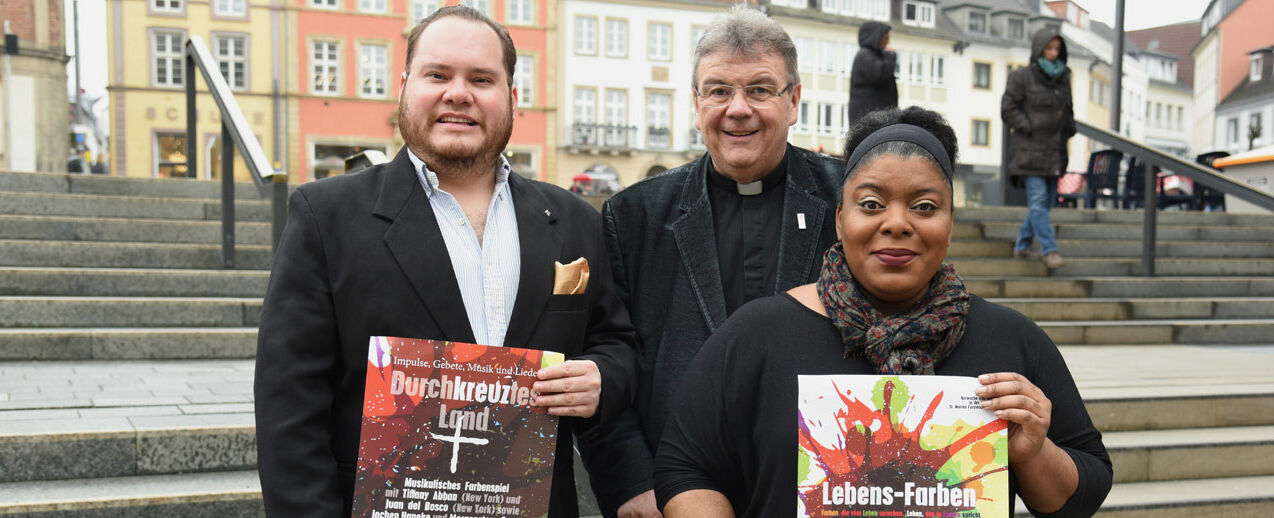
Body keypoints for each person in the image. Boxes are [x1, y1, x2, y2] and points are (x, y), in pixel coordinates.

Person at [254, 6, 637, 517]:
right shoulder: (325, 216)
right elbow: (289, 408)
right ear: (405, 86)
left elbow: (616, 341)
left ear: (512, 98)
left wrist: (602, 376)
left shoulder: (572, 219)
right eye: (438, 74)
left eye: (482, 78)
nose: (459, 93)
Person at [654, 107, 1111, 517]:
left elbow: (1080, 495)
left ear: (950, 223)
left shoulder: (1013, 340)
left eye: (925, 207)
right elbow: (686, 467)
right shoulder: (758, 335)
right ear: (839, 218)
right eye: (871, 204)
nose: (896, 223)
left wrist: (1033, 452)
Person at [579, 7, 846, 518]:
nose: (737, 108)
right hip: (674, 493)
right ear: (696, 103)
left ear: (793, 102)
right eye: (719, 90)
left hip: (820, 489)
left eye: (760, 90)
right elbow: (608, 355)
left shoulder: (851, 200)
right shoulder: (634, 215)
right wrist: (631, 482)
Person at [1002, 28, 1075, 269]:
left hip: (1055, 152)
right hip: (1028, 150)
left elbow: (1068, 111)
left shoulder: (1064, 78)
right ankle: (1050, 250)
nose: (1053, 54)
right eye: (1049, 48)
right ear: (1039, 49)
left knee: (1043, 205)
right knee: (1038, 200)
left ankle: (1022, 245)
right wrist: (1029, 126)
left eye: (1057, 49)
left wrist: (1069, 128)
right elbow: (1008, 108)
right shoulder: (1021, 77)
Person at [848, 21, 898, 124]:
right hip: (869, 117)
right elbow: (880, 77)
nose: (887, 42)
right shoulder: (865, 55)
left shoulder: (874, 56)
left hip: (876, 116)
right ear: (876, 37)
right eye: (886, 38)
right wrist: (890, 56)